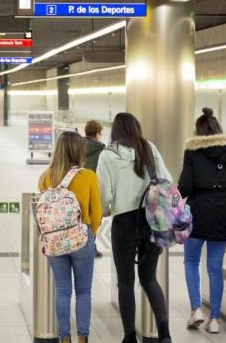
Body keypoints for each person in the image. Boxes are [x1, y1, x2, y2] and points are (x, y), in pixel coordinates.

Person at [97, 113, 172, 343]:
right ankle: (165, 335)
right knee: (149, 278)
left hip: (125, 223)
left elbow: (105, 194)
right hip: (153, 219)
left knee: (126, 281)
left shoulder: (108, 155)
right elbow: (166, 180)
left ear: (115, 131)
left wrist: (105, 209)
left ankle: (130, 336)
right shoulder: (149, 148)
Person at [177, 108, 226, 333]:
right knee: (215, 268)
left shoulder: (192, 152)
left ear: (198, 131)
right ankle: (214, 320)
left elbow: (185, 187)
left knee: (191, 261)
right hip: (222, 213)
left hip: (197, 213)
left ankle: (196, 309)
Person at [38, 131, 102, 343]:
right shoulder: (88, 176)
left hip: (55, 241)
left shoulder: (46, 176)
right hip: (81, 239)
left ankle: (64, 338)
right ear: (79, 150)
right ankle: (82, 338)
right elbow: (97, 212)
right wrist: (89, 235)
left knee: (62, 291)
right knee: (83, 291)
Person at [84, 120, 106, 258]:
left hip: (77, 184)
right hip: (93, 186)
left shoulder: (77, 145)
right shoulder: (101, 148)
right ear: (97, 134)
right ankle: (91, 245)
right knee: (94, 216)